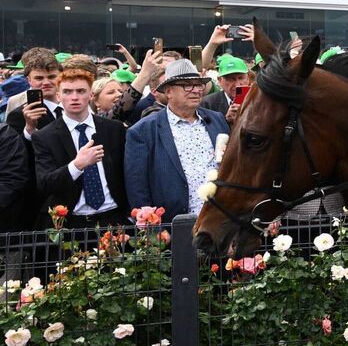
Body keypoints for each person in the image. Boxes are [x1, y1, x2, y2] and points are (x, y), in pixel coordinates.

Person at [124, 59, 230, 222]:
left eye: (199, 84)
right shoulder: (143, 131)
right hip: (174, 225)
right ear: (168, 91)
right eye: (187, 85)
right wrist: (151, 228)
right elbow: (137, 187)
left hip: (220, 218)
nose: (196, 90)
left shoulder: (217, 120)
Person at [31, 66, 128, 228]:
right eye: (68, 92)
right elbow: (45, 184)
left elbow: (127, 173)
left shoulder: (114, 129)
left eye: (81, 91)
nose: (74, 97)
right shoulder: (45, 136)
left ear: (90, 95)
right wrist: (77, 165)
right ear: (58, 96)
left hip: (114, 218)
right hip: (73, 222)